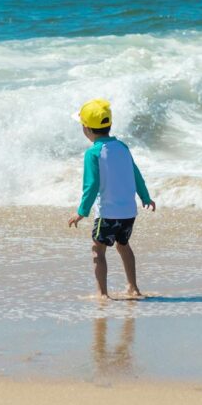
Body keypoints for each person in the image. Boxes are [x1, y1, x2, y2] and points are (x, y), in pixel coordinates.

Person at [67, 98, 155, 299]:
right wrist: (145, 196)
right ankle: (133, 287)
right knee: (123, 246)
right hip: (128, 212)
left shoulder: (93, 153)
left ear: (86, 129)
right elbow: (135, 173)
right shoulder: (122, 147)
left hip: (108, 213)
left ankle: (102, 294)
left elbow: (91, 186)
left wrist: (82, 212)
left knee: (97, 250)